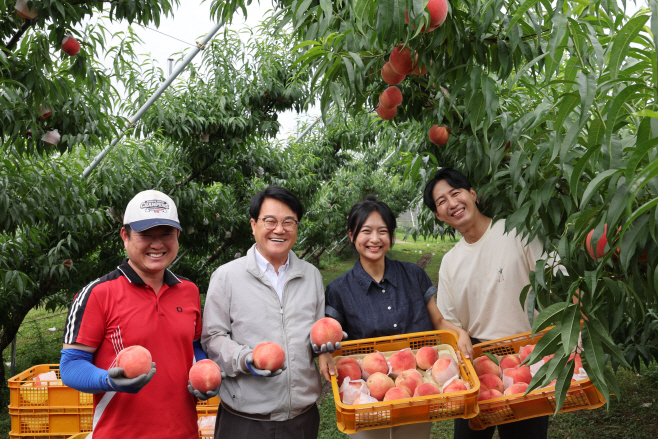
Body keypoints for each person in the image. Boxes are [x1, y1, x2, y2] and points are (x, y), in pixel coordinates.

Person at [59, 189, 218, 439]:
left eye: (166, 233)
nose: (157, 244)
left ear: (177, 235)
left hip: (183, 432)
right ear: (125, 235)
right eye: (145, 235)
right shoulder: (98, 293)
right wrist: (108, 380)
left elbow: (194, 347)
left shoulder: (188, 291)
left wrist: (205, 377)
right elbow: (71, 366)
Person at [324, 195, 473, 439]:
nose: (375, 239)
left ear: (391, 235)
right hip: (368, 392)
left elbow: (438, 321)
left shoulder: (413, 275)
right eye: (366, 231)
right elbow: (331, 338)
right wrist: (323, 351)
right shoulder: (339, 290)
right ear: (352, 235)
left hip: (417, 380)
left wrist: (460, 332)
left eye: (382, 231)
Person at [423, 168, 550, 439]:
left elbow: (554, 281)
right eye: (442, 201)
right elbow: (450, 322)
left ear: (473, 194)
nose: (452, 203)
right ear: (437, 215)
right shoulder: (450, 262)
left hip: (527, 354)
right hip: (477, 360)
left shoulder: (517, 232)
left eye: (456, 193)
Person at [201, 185, 334, 439]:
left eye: (289, 222)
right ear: (253, 225)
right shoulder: (227, 277)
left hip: (302, 418)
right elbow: (212, 338)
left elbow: (316, 331)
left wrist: (324, 347)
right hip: (245, 421)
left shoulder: (311, 276)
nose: (279, 229)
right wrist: (245, 359)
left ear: (297, 227)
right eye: (269, 221)